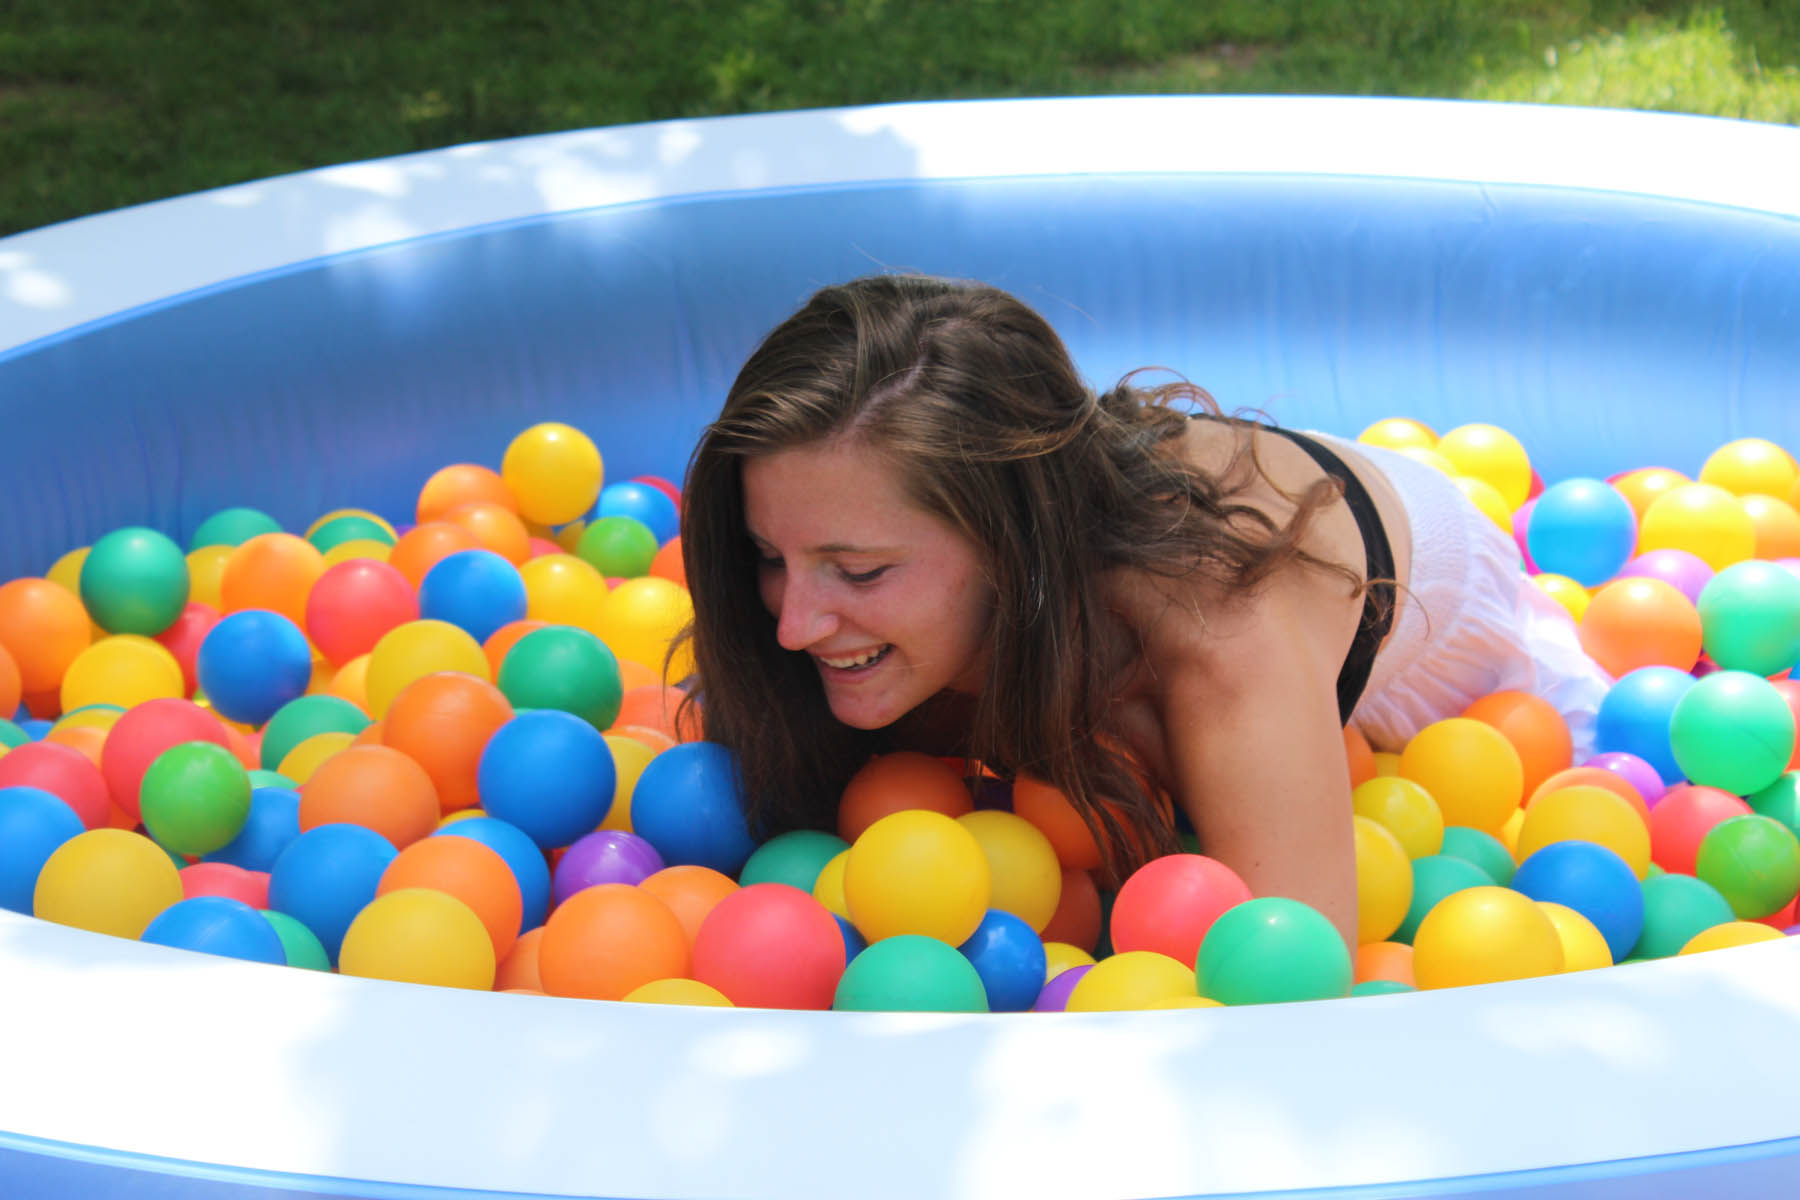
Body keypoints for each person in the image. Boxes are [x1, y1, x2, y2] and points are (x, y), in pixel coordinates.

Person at [677, 274, 1611, 947]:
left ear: (1009, 547)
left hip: (1433, 615)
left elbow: (1292, 976)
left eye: (861, 572)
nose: (792, 625)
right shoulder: (877, 578)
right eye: (769, 558)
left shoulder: (1212, 628)